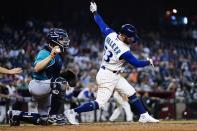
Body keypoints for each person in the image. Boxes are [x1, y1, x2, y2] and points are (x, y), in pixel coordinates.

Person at [65, 2, 159, 124]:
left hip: (113, 73)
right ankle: (72, 112)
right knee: (99, 103)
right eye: (130, 37)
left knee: (131, 93)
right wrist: (148, 61)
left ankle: (144, 115)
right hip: (107, 76)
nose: (132, 39)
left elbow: (100, 22)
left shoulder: (111, 34)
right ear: (124, 36)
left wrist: (95, 12)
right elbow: (137, 64)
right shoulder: (124, 50)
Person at [7, 28, 73, 126]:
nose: (65, 41)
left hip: (45, 85)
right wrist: (51, 56)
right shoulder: (45, 52)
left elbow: (52, 74)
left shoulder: (57, 53)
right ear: (54, 39)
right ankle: (54, 115)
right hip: (38, 85)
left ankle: (15, 115)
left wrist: (68, 76)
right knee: (60, 82)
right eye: (62, 39)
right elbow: (37, 68)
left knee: (44, 120)